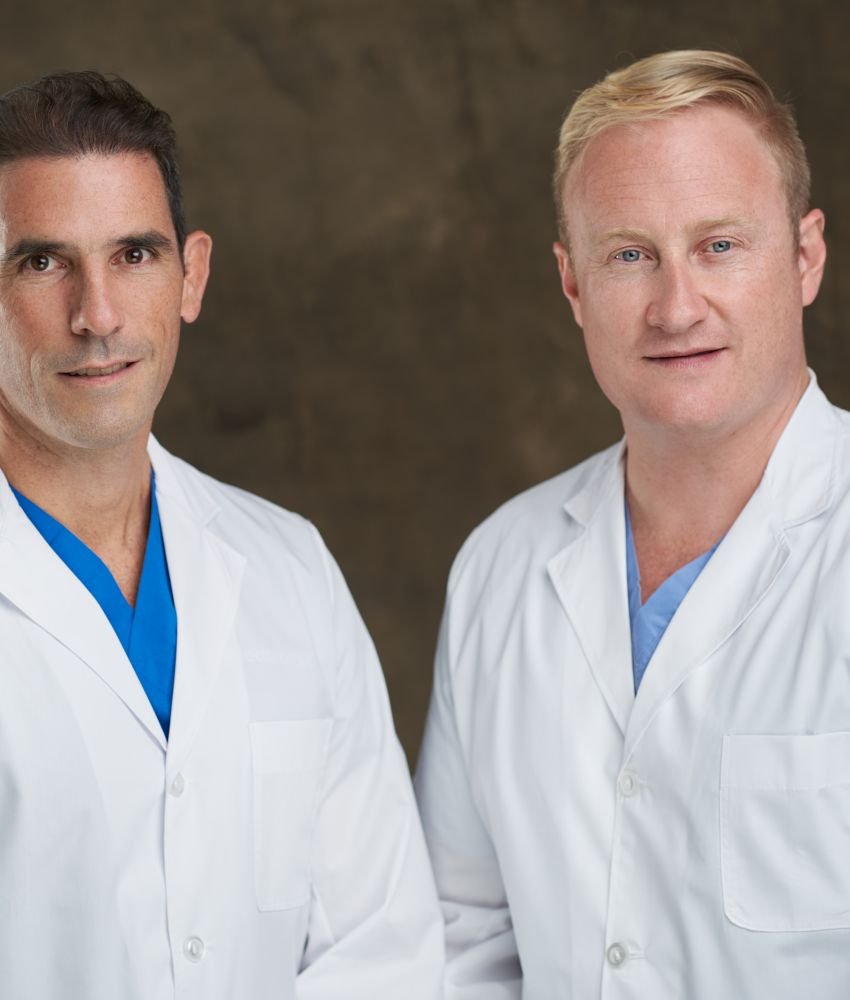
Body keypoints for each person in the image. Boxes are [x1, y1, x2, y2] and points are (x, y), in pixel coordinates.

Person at [414, 49, 850, 998]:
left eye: (719, 245)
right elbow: (462, 940)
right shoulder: (501, 565)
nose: (677, 307)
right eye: (629, 255)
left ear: (805, 257)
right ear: (573, 285)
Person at [0, 71, 443, 1000]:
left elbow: (383, 952)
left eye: (135, 255)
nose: (98, 315)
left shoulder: (290, 570)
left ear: (191, 275)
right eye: (42, 263)